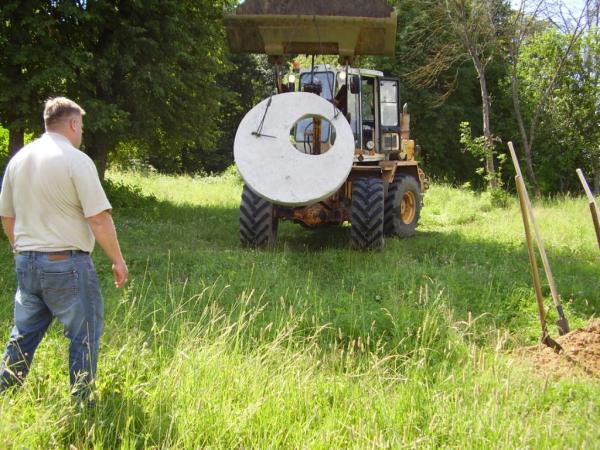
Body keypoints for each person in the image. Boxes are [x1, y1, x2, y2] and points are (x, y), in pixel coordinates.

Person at [0, 97, 128, 402]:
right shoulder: (75, 160)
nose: (81, 132)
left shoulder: (19, 159)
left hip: (26, 263)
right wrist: (117, 260)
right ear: (73, 124)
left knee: (23, 334)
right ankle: (82, 404)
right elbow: (98, 218)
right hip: (66, 264)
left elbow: (7, 216)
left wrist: (21, 248)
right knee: (84, 334)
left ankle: (5, 392)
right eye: (81, 126)